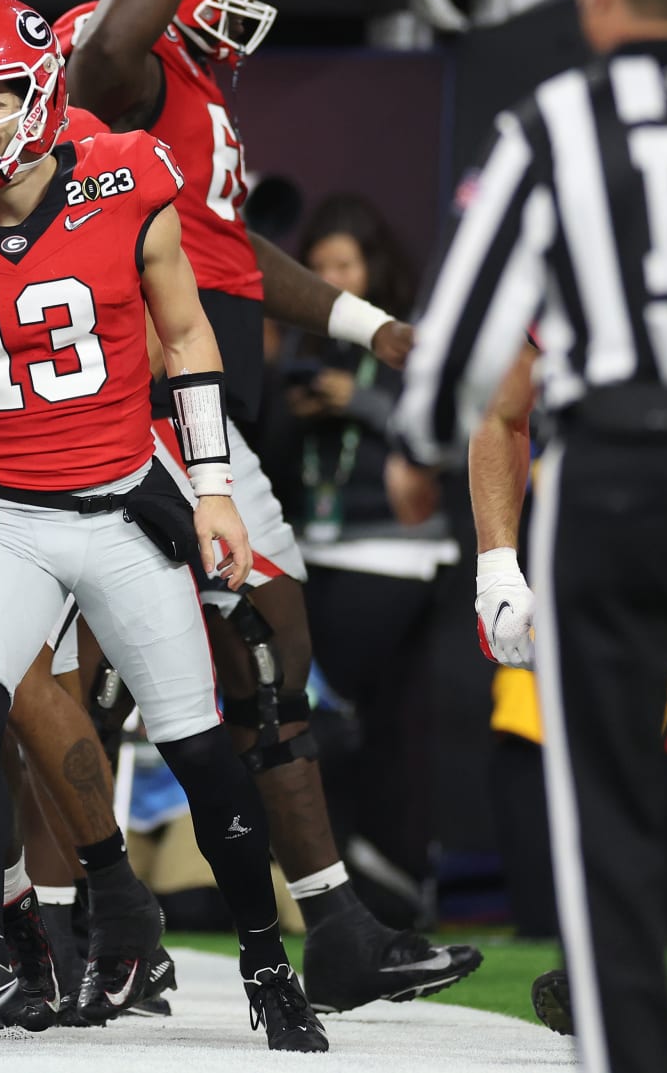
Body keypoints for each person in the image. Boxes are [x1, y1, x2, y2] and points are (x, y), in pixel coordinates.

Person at [61, 0, 481, 1011]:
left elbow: (232, 254)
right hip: (123, 416)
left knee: (262, 666)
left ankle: (327, 925)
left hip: (197, 416)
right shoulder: (119, 72)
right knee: (111, 680)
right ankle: (81, 922)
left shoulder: (188, 94)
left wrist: (366, 326)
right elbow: (100, 53)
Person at [0, 0, 324, 1050]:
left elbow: (188, 330)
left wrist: (210, 483)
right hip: (3, 513)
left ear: (35, 91)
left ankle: (265, 958)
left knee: (201, 746)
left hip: (119, 505)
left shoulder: (128, 174)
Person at [396, 0, 667, 1073]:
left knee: (612, 821)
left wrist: (416, 451)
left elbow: (466, 344)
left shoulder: (558, 125)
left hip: (621, 482)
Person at [262, 196, 457, 923]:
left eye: (345, 264)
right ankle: (362, 883)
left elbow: (443, 428)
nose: (332, 277)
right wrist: (297, 394)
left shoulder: (411, 342)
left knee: (372, 723)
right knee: (349, 723)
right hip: (323, 549)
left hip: (401, 553)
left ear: (376, 266)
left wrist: (360, 402)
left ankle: (391, 876)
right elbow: (272, 456)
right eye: (316, 268)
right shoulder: (304, 351)